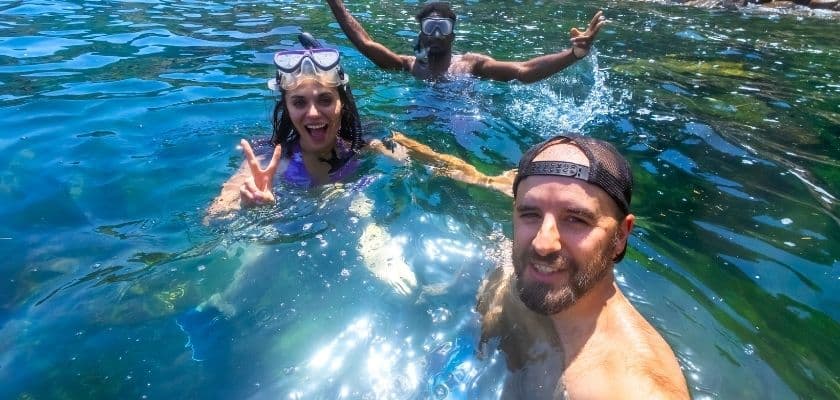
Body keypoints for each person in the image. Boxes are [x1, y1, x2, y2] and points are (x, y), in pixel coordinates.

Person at [476, 134, 690, 399]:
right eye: (530, 214)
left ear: (621, 236)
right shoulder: (523, 270)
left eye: (576, 219)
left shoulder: (628, 387)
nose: (543, 244)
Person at [325, 0, 606, 82]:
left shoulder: (472, 65)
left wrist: (574, 54)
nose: (436, 34)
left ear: (453, 34)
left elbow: (523, 70)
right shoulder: (410, 65)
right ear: (421, 33)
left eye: (442, 27)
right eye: (429, 27)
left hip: (463, 121)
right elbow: (365, 43)